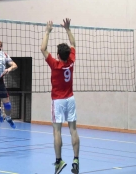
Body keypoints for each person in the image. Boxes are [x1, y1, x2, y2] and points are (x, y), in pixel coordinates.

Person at [40, 18, 80, 174]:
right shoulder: (71, 60)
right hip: (70, 99)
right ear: (68, 54)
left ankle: (58, 161)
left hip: (58, 100)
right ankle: (76, 160)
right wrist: (68, 29)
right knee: (73, 130)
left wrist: (47, 31)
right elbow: (74, 44)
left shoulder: (55, 64)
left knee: (57, 131)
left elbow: (43, 48)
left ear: (57, 55)